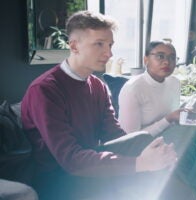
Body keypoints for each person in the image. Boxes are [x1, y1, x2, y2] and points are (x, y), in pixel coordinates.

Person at [21, 10, 177, 200]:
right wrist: (140, 163)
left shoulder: (98, 86)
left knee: (151, 149)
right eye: (99, 44)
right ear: (74, 46)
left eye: (110, 45)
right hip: (59, 181)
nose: (109, 53)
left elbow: (116, 137)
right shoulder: (45, 90)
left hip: (92, 171)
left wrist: (151, 152)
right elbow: (71, 160)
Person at [118, 40, 196, 198]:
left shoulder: (174, 82)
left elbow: (174, 118)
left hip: (170, 135)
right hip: (142, 145)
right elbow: (129, 139)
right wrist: (169, 118)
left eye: (172, 58)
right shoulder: (133, 88)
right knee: (191, 138)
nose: (167, 62)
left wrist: (193, 118)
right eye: (160, 56)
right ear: (146, 60)